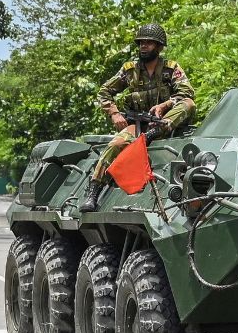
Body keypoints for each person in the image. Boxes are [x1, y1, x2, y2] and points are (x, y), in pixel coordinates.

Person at [79, 23, 195, 213]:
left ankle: (154, 133)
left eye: (149, 43)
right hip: (139, 125)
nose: (143, 46)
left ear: (159, 47)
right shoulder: (129, 70)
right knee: (115, 145)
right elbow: (104, 91)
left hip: (166, 123)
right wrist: (114, 113)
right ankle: (93, 192)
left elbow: (187, 93)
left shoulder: (170, 69)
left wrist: (165, 105)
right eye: (141, 42)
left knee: (188, 103)